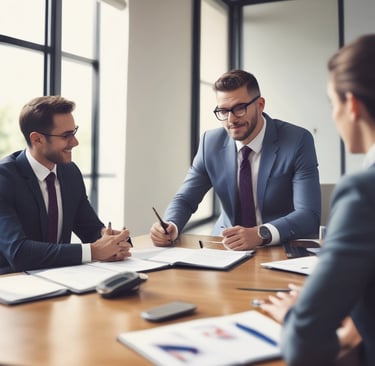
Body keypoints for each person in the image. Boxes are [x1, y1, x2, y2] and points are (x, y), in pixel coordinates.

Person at [261, 34, 375, 366]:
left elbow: (304, 345)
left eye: (331, 103)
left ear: (351, 105)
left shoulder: (363, 192)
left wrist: (295, 315)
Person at [150, 69, 321, 250]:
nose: (231, 120)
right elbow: (185, 198)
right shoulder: (211, 143)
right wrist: (170, 226)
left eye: (240, 108)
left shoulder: (297, 140)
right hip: (225, 246)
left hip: (278, 247)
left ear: (260, 105)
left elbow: (308, 215)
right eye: (223, 111)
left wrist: (260, 234)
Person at [0, 96, 132, 274]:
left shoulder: (70, 172)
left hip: (62, 279)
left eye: (74, 132)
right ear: (37, 139)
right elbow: (18, 253)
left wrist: (109, 239)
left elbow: (89, 228)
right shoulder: (5, 178)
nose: (75, 142)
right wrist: (93, 251)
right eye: (66, 136)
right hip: (13, 284)